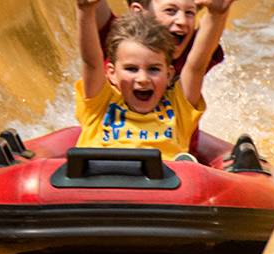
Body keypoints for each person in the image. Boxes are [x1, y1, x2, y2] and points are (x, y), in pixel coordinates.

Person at [72, 0, 232, 160]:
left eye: (154, 69)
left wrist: (216, 15)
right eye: (131, 69)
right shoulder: (100, 104)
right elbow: (91, 62)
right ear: (111, 73)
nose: (143, 79)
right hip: (100, 173)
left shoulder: (179, 107)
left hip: (166, 174)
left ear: (169, 74)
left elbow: (196, 66)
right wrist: (84, 10)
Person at [89, 0, 228, 81]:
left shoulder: (193, 51)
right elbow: (89, 6)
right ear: (138, 12)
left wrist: (219, 12)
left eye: (190, 12)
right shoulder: (118, 38)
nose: (182, 21)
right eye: (170, 10)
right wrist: (84, 9)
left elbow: (217, 14)